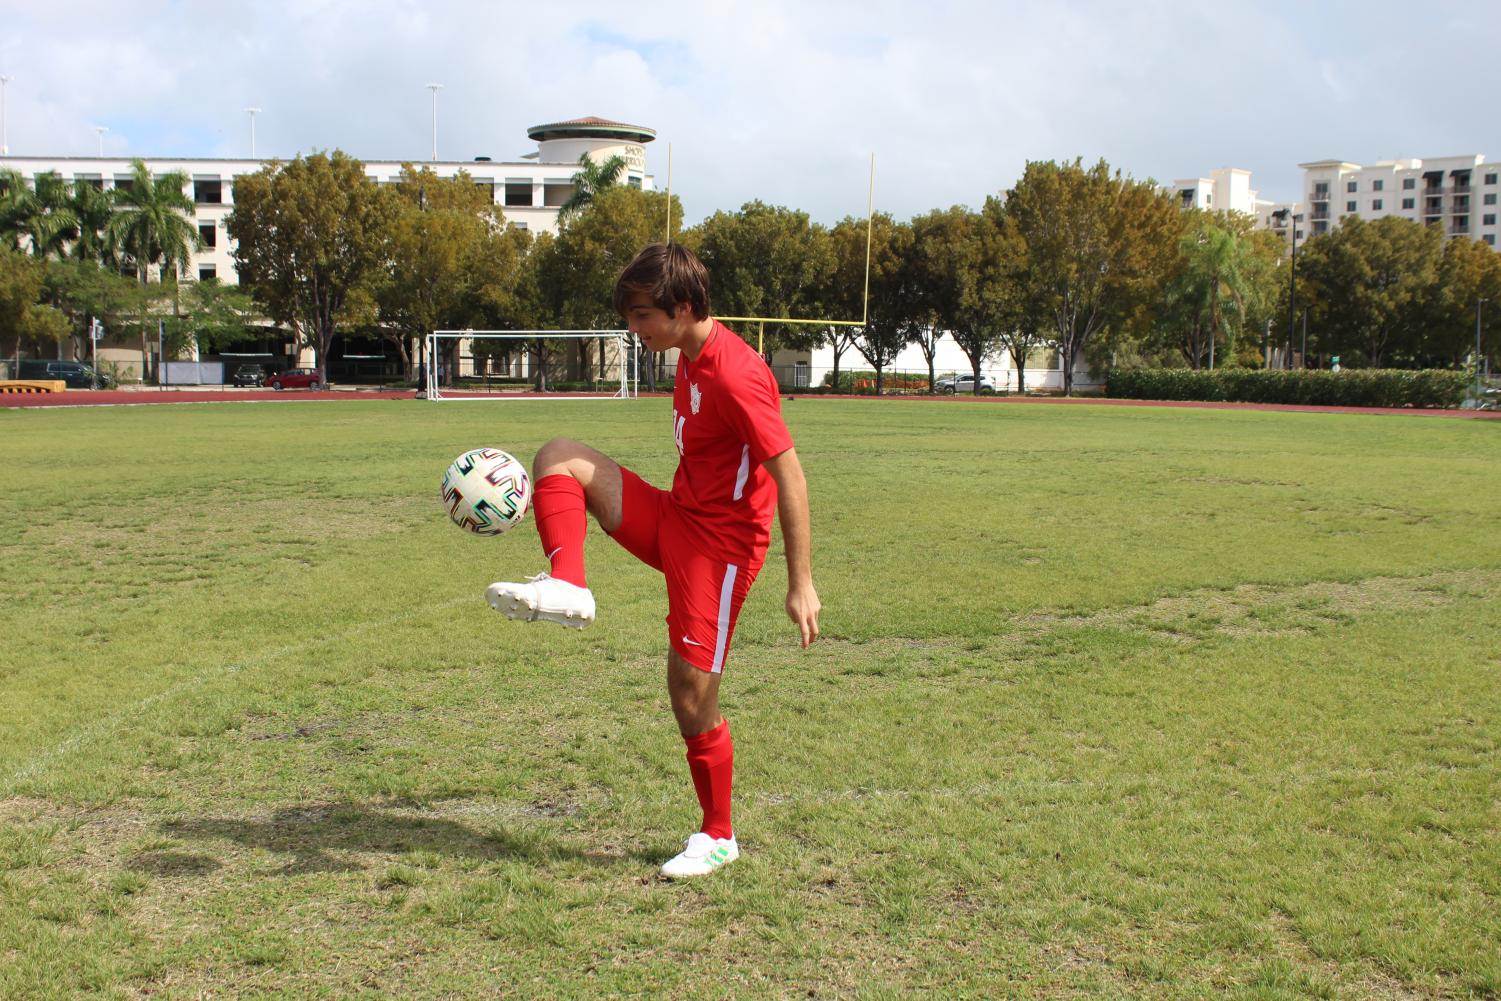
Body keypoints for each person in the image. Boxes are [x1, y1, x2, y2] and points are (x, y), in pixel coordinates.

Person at [486, 243, 821, 878]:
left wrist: (800, 582)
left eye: (641, 316)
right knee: (560, 454)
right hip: (677, 516)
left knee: (689, 698)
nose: (633, 328)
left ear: (684, 309)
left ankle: (718, 835)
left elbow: (791, 476)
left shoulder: (736, 373)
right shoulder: (687, 356)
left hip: (719, 551)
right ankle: (569, 585)